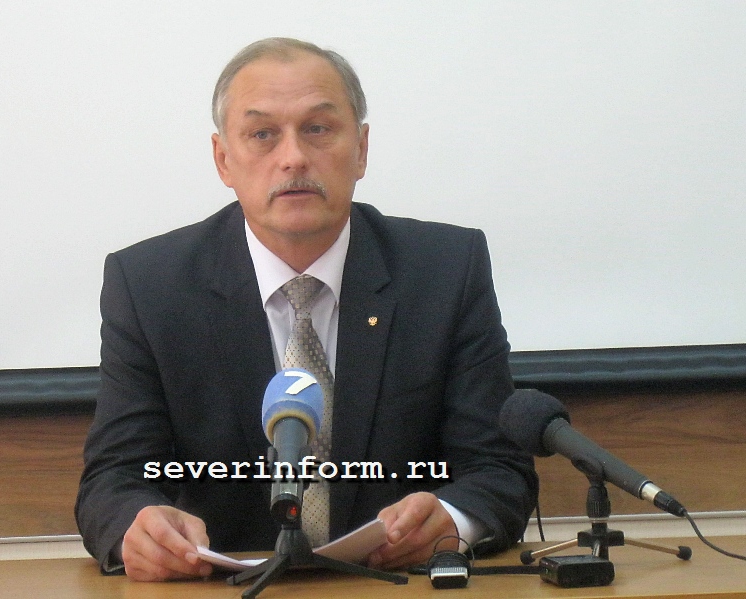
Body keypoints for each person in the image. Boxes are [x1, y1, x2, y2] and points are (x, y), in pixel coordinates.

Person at [75, 37, 538, 582]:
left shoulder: (444, 271)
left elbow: (498, 469)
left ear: (361, 149)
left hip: (395, 588)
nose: (293, 157)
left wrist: (454, 520)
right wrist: (138, 527)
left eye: (317, 129)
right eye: (262, 134)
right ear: (224, 159)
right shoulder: (151, 285)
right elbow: (114, 479)